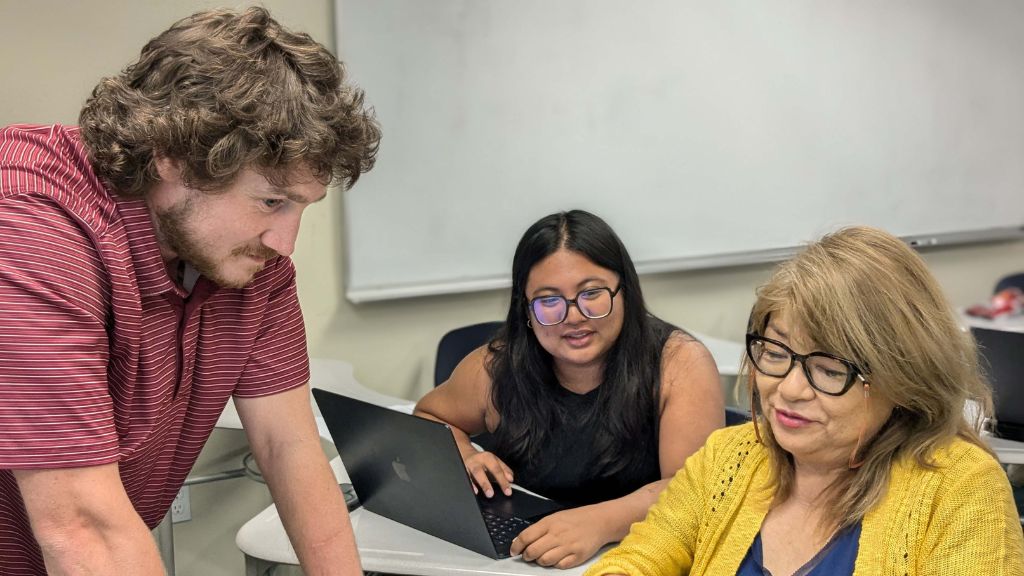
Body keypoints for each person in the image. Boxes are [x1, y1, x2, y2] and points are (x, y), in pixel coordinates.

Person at [0, 7, 380, 575]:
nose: (286, 241)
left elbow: (289, 449)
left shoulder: (251, 261)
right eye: (272, 201)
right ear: (172, 158)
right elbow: (82, 527)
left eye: (302, 205)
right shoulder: (31, 226)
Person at [584, 226, 1024, 576]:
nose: (789, 389)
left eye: (830, 369)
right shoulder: (730, 458)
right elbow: (641, 557)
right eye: (775, 354)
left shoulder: (961, 489)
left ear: (903, 378)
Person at [414, 209, 725, 569]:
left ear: (624, 290)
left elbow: (693, 491)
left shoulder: (680, 363)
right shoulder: (498, 366)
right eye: (548, 301)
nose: (574, 316)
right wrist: (464, 455)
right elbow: (429, 416)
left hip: (635, 559)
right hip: (520, 561)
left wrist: (599, 522)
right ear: (525, 311)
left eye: (592, 293)